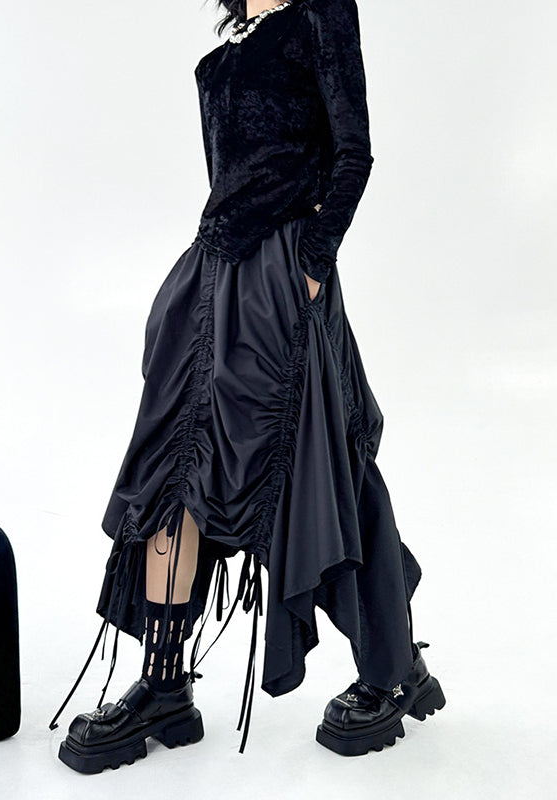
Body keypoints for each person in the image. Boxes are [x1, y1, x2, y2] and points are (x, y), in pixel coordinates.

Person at [48, 0, 446, 773]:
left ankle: (393, 667)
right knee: (172, 471)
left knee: (321, 468)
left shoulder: (319, 13)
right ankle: (164, 686)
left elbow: (354, 153)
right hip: (207, 278)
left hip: (282, 277)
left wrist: (312, 262)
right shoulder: (233, 40)